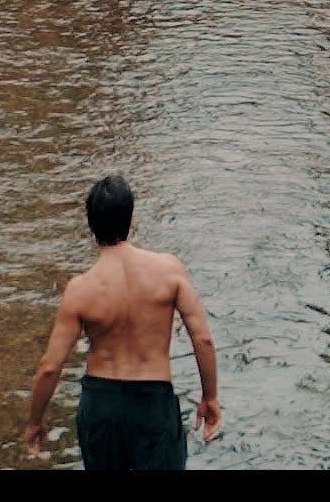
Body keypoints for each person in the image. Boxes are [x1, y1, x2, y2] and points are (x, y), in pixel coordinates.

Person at [24, 173, 220, 468]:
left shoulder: (80, 290)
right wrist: (209, 397)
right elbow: (202, 339)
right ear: (131, 219)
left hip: (101, 404)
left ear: (91, 226)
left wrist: (35, 420)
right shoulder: (169, 271)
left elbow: (50, 367)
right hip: (152, 401)